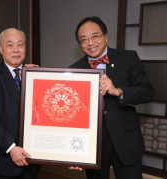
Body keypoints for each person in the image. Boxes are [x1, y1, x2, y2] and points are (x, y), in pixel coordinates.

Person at [69, 16, 154, 179]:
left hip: (126, 140)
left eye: (95, 36)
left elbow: (147, 92)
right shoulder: (74, 69)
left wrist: (118, 91)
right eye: (84, 39)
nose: (90, 42)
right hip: (93, 145)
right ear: (80, 45)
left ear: (106, 36)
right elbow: (73, 112)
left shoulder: (128, 58)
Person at [0, 28, 41, 179]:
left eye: (20, 45)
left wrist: (39, 79)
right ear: (1, 49)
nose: (16, 50)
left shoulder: (34, 75)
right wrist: (11, 147)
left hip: (31, 162)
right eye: (10, 45)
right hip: (2, 164)